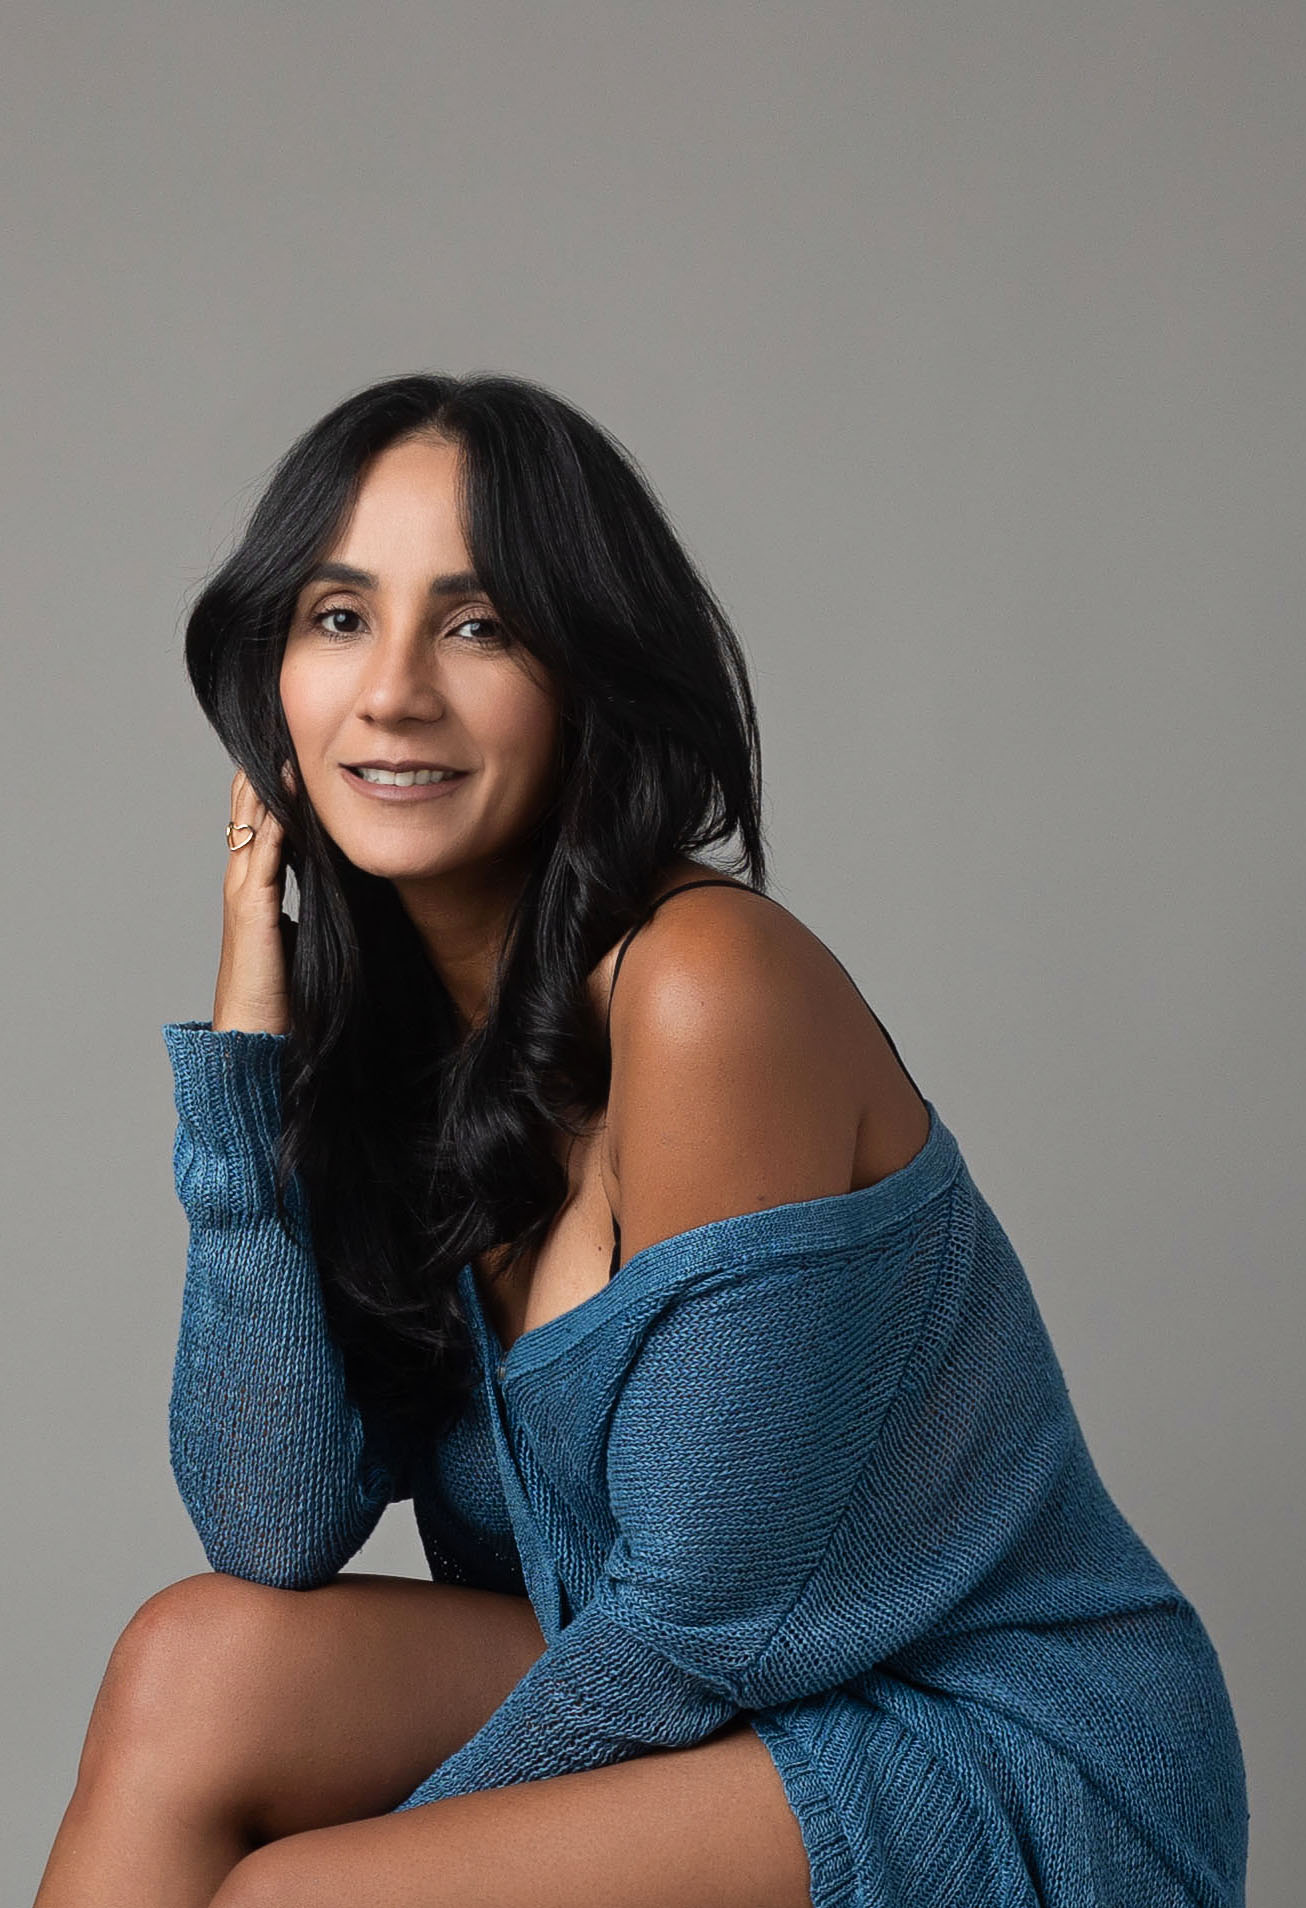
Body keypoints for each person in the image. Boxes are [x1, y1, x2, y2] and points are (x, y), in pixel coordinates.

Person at [35, 373, 1247, 1908]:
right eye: (340, 618)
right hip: (710, 1693)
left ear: (586, 674)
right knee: (194, 1661)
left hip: (982, 1739)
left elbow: (700, 1625)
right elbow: (269, 1524)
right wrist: (244, 1078)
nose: (393, 690)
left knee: (302, 1905)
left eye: (475, 627)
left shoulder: (703, 989)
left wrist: (355, 1868)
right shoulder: (405, 1048)